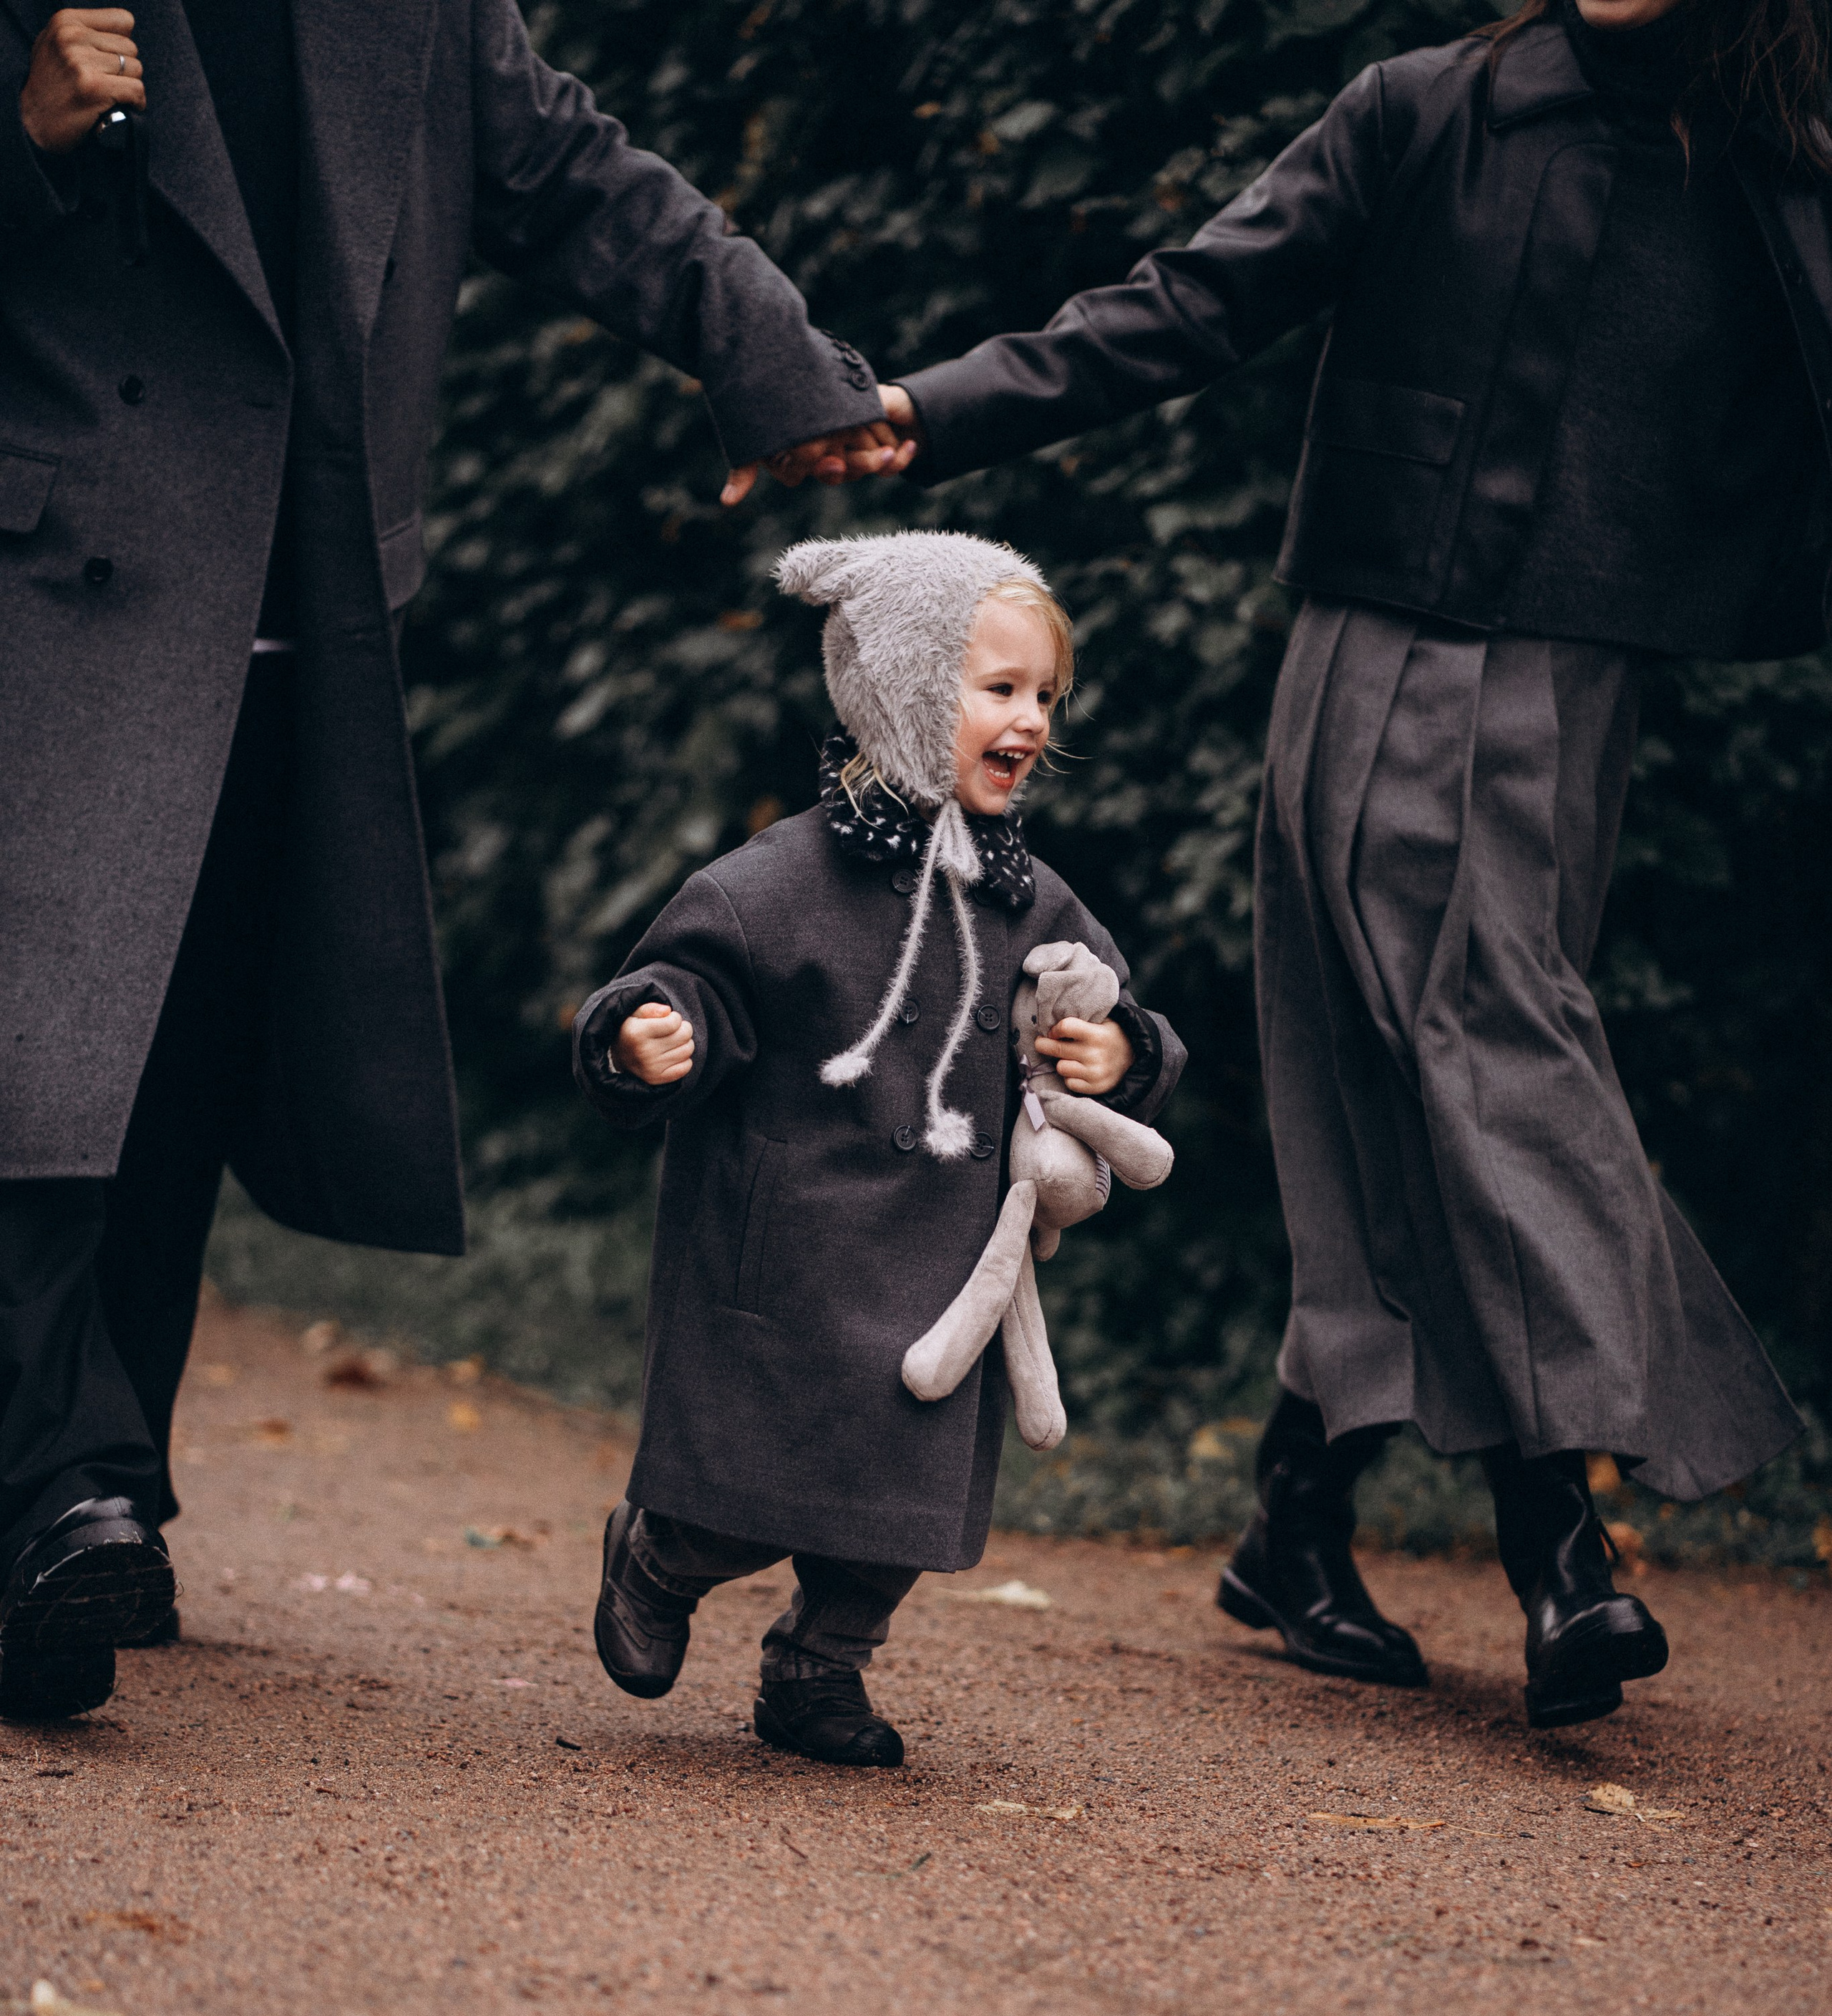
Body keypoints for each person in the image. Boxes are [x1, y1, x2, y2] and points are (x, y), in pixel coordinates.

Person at [878, 0, 1821, 1728]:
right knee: (1486, 1044)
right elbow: (1183, 302)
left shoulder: (1770, 157)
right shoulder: (1423, 112)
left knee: (1422, 1065)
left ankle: (1295, 1515)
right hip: (1389, 645)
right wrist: (922, 418)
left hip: (1584, 681)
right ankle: (1557, 1547)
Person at [0, 2, 918, 1724]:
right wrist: (26, 135)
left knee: (174, 1064)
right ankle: (60, 1491)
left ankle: (102, 1486)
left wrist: (772, 361)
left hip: (290, 605)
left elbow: (574, 175)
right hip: (46, 571)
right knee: (37, 1053)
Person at [574, 531, 1185, 1767]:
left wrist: (1123, 1053)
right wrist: (645, 1035)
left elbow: (1115, 1007)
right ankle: (656, 1554)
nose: (1029, 720)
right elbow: (681, 981)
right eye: (997, 688)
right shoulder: (775, 884)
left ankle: (820, 1666)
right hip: (787, 1261)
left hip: (941, 1267)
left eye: (1045, 697)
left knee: (889, 1524)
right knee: (736, 1502)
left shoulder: (1036, 901)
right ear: (906, 687)